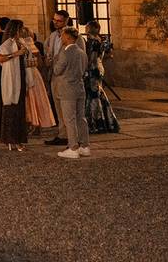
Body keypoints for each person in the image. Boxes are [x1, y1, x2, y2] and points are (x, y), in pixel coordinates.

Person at [44, 10, 86, 146]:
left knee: (72, 112)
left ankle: (73, 140)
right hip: (55, 76)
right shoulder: (52, 36)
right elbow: (49, 52)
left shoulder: (76, 38)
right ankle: (63, 134)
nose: (55, 23)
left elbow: (80, 58)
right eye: (54, 20)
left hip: (68, 77)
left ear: (66, 20)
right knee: (58, 106)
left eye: (59, 21)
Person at [55, 27, 91, 159]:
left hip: (67, 89)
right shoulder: (82, 52)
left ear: (69, 37)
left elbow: (57, 70)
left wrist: (55, 60)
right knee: (81, 118)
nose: (61, 38)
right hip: (80, 88)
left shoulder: (65, 53)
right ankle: (85, 146)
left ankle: (73, 147)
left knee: (69, 119)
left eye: (63, 36)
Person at [0, 19, 29, 152]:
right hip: (11, 78)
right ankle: (11, 139)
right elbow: (1, 58)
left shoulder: (21, 42)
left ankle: (19, 138)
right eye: (21, 28)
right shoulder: (7, 43)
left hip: (21, 76)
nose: (22, 31)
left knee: (20, 109)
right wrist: (17, 54)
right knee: (11, 108)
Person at [84, 20, 119, 133]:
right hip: (100, 67)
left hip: (93, 68)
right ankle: (107, 120)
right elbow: (109, 54)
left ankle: (97, 121)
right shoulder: (101, 40)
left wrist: (86, 68)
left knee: (93, 95)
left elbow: (92, 58)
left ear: (90, 29)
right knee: (99, 94)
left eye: (87, 28)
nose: (85, 30)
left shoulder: (93, 42)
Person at [21, 26, 55, 133]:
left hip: (30, 75)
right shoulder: (32, 44)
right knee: (37, 100)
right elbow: (40, 63)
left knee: (30, 100)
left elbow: (38, 62)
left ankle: (31, 124)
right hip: (36, 75)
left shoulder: (26, 45)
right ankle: (37, 125)